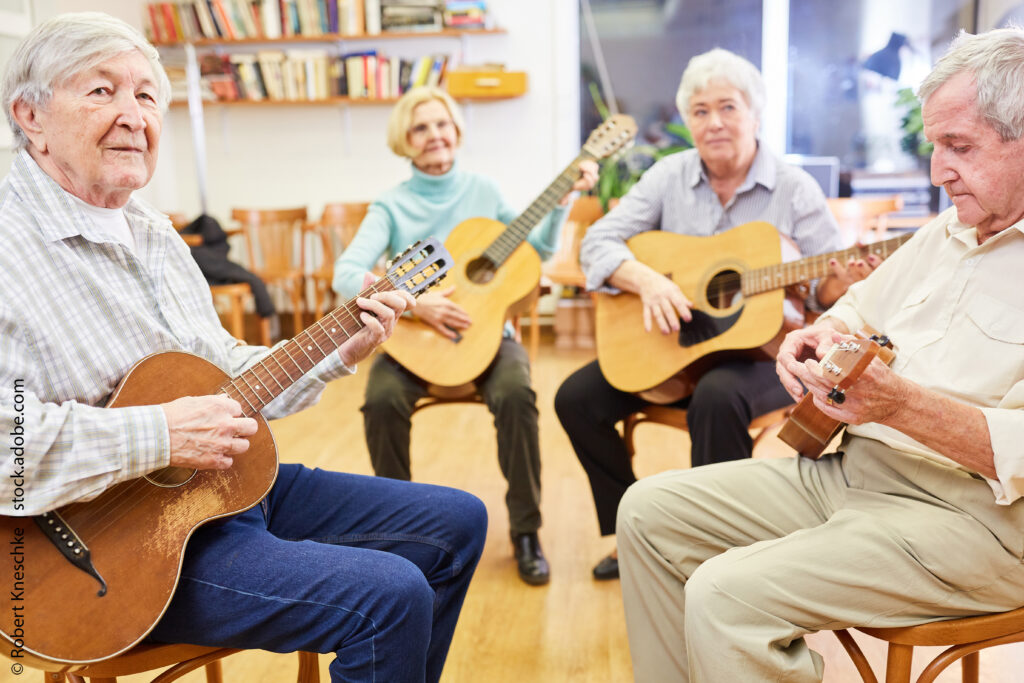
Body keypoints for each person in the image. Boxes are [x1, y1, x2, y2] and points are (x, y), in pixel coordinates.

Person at [0, 13, 486, 682]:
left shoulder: (152, 233)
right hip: (97, 553)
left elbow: (227, 377)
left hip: (220, 492)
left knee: (457, 523)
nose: (133, 115)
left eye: (147, 95)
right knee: (390, 596)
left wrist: (339, 348)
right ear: (30, 114)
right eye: (101, 91)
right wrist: (160, 433)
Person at [616, 27, 1024, 681]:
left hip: (975, 524)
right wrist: (818, 334)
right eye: (934, 145)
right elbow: (857, 306)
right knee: (646, 512)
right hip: (852, 471)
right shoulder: (948, 229)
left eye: (959, 146)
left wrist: (904, 405)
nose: (937, 169)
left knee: (724, 595)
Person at [554, 47, 875, 581]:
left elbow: (828, 294)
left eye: (727, 107)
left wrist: (845, 281)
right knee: (576, 399)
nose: (714, 122)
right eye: (700, 111)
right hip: (675, 346)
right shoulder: (668, 176)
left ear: (755, 112)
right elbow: (598, 241)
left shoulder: (794, 188)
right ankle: (631, 532)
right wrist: (647, 279)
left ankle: (715, 554)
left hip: (764, 352)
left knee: (718, 397)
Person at [332, 86, 597, 586]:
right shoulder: (390, 205)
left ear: (456, 132)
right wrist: (416, 303)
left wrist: (563, 201)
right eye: (420, 128)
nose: (434, 135)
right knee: (382, 400)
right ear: (404, 142)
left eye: (442, 124)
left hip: (489, 334)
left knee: (517, 393)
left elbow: (534, 248)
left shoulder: (483, 190)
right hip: (413, 337)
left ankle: (525, 530)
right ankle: (399, 533)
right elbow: (346, 272)